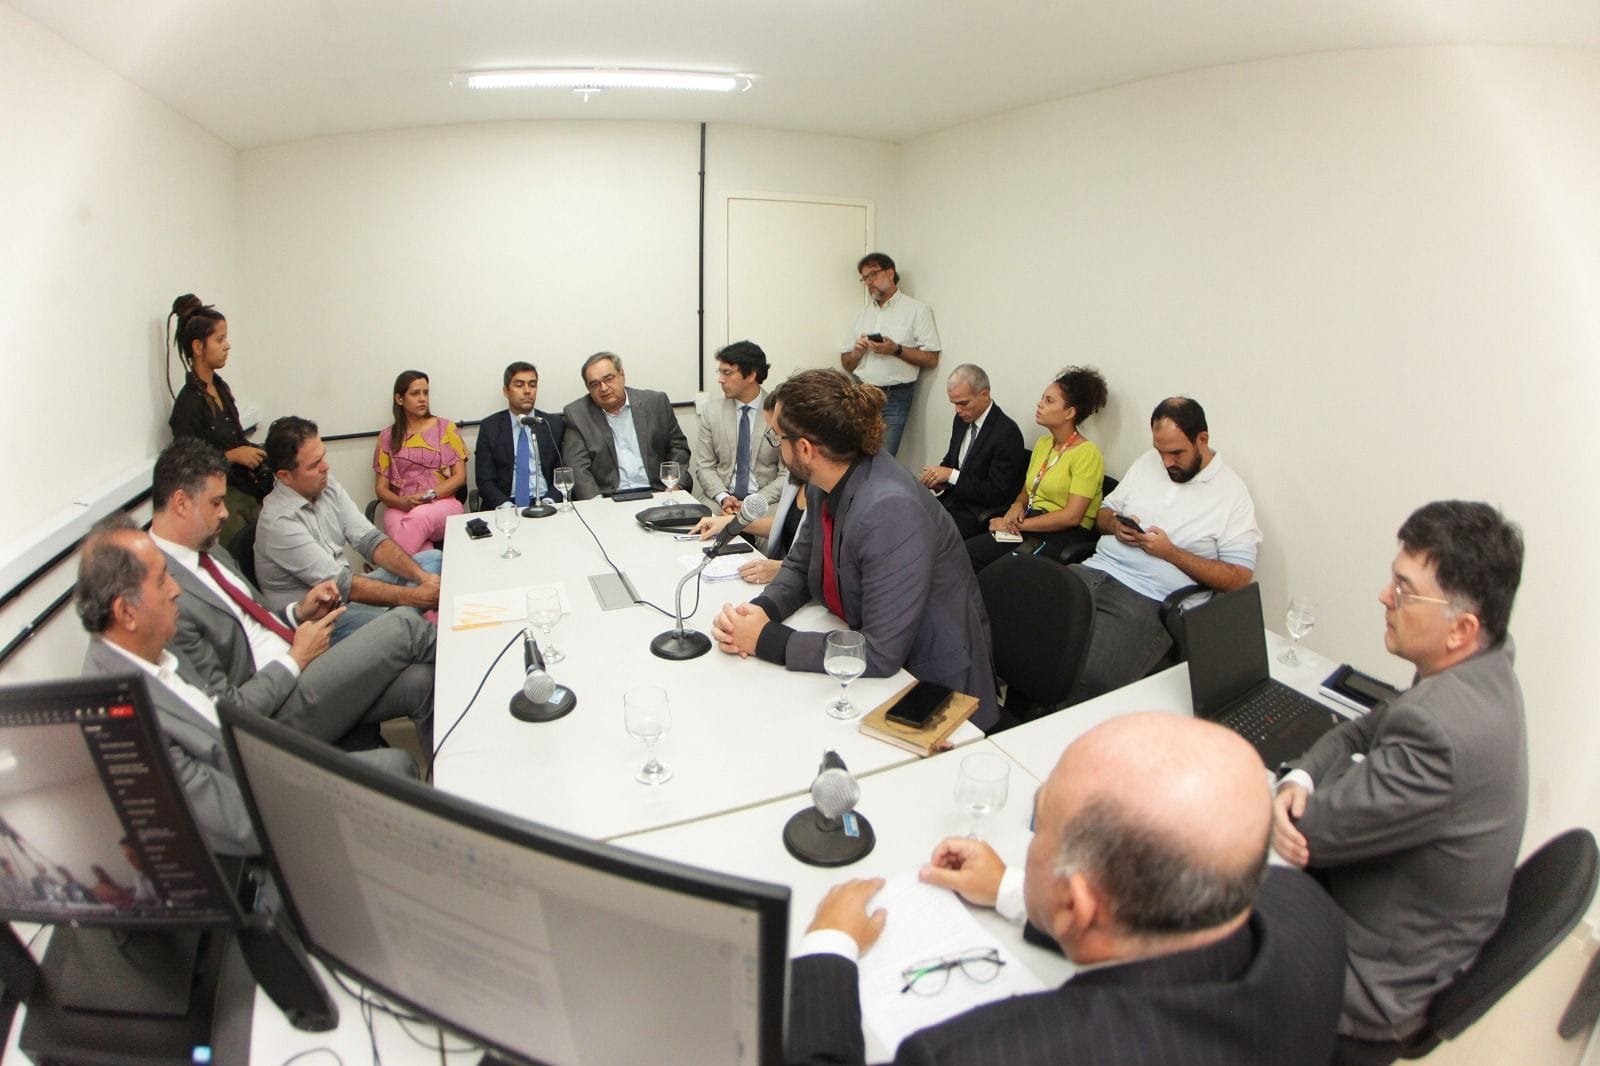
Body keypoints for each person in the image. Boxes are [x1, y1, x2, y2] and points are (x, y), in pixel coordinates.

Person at [786, 713, 1347, 1065]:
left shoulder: (968, 1054)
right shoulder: (1307, 909)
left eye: (1040, 829)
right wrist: (1012, 890)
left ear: (1077, 905)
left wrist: (827, 949)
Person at [1272, 501, 1528, 1049]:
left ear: (1461, 628)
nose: (1384, 597)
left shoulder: (1440, 727)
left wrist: (1295, 797)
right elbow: (1362, 730)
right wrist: (1301, 779)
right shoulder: (1485, 662)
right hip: (1407, 920)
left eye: (1405, 590)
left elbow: (1307, 832)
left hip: (1369, 979)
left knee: (1196, 886)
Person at [77, 514, 416, 855]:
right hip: (267, 806)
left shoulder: (151, 655)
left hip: (264, 759)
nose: (176, 589)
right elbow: (236, 822)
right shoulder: (120, 714)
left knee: (418, 684)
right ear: (126, 612)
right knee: (397, 759)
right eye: (162, 580)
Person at [711, 369, 997, 730]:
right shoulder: (828, 478)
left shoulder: (889, 508)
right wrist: (758, 613)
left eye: (777, 438)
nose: (776, 447)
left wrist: (767, 640)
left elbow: (880, 652)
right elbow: (800, 566)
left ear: (805, 449)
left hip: (929, 687)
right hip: (873, 661)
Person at [150, 438, 436, 758]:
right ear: (181, 502)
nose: (225, 513)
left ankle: (452, 776)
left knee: (422, 682)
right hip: (278, 708)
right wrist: (295, 658)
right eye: (216, 503)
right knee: (405, 625)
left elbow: (255, 619)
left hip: (302, 663)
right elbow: (227, 709)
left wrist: (299, 612)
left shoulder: (209, 550)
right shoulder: (160, 590)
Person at [1070, 396, 1260, 699]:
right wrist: (1115, 526)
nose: (1166, 462)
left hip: (1148, 598)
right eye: (1160, 452)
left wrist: (1171, 553)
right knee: (1016, 622)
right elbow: (1103, 514)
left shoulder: (1232, 494)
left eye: (1176, 453)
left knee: (1085, 677)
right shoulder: (1148, 462)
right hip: (1093, 571)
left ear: (1202, 439)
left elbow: (1238, 578)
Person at [255, 416, 442, 641]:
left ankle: (403, 619)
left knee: (433, 560)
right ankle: (405, 622)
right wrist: (415, 597)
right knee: (404, 623)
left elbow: (370, 540)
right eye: (314, 464)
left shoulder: (326, 486)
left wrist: (422, 578)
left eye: (323, 457)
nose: (325, 467)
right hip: (321, 622)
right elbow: (342, 584)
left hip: (347, 597)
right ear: (285, 476)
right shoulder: (278, 523)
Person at [965, 366, 1107, 571]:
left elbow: (1072, 516)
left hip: (1062, 535)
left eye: (1049, 401)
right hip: (1030, 522)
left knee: (1002, 572)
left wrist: (1016, 525)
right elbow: (1027, 491)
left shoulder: (1087, 454)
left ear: (1070, 412)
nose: (1040, 404)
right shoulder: (1043, 444)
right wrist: (1016, 506)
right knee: (966, 553)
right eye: (1042, 398)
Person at [166, 293, 272, 545]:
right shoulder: (188, 405)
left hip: (246, 487)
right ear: (198, 347)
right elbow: (187, 467)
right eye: (219, 339)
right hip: (221, 497)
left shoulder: (220, 388)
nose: (227, 345)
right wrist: (232, 456)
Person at [692, 393, 807, 585]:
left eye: (777, 437)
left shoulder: (829, 490)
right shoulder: (797, 479)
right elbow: (789, 528)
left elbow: (827, 563)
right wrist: (732, 522)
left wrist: (784, 569)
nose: (777, 447)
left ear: (804, 444)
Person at [839, 252, 942, 456]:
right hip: (862, 392)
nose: (869, 282)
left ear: (890, 272)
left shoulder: (917, 310)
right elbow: (846, 363)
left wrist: (896, 350)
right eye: (865, 278)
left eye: (873, 274)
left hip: (895, 397)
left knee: (883, 457)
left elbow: (931, 358)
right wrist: (857, 352)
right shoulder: (862, 314)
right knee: (855, 455)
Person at [561, 352, 692, 500]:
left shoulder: (655, 402)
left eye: (608, 379)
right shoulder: (577, 414)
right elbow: (577, 467)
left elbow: (678, 448)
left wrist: (673, 485)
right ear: (588, 388)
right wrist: (597, 504)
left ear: (622, 375)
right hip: (609, 498)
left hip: (658, 491)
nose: (603, 388)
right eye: (595, 384)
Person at [919, 364, 1025, 540]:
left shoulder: (1007, 433)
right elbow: (951, 461)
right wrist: (937, 479)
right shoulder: (961, 420)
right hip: (951, 501)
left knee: (925, 535)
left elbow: (996, 493)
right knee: (906, 516)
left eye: (963, 403)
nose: (957, 410)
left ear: (984, 395)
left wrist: (951, 475)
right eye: (954, 404)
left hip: (975, 513)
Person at [372, 370, 468, 554]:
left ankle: (386, 568)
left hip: (441, 503)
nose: (423, 398)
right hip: (401, 505)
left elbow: (459, 477)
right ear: (399, 399)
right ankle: (419, 569)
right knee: (422, 553)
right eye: (415, 393)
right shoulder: (387, 437)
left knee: (418, 517)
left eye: (426, 392)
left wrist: (428, 495)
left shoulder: (446, 428)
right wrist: (401, 502)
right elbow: (381, 488)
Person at [694, 341, 785, 515]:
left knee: (773, 529)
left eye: (727, 373)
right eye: (720, 372)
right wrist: (723, 497)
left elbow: (787, 474)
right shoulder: (712, 412)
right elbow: (705, 467)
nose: (720, 379)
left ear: (751, 375)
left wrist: (754, 502)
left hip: (766, 500)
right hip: (720, 500)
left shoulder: (778, 412)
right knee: (699, 524)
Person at [476, 361, 567, 510]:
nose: (527, 391)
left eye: (532, 385)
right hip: (506, 503)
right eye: (519, 385)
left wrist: (550, 501)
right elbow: (484, 480)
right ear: (506, 391)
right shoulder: (490, 427)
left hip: (547, 500)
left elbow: (564, 472)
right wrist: (506, 506)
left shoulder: (553, 424)